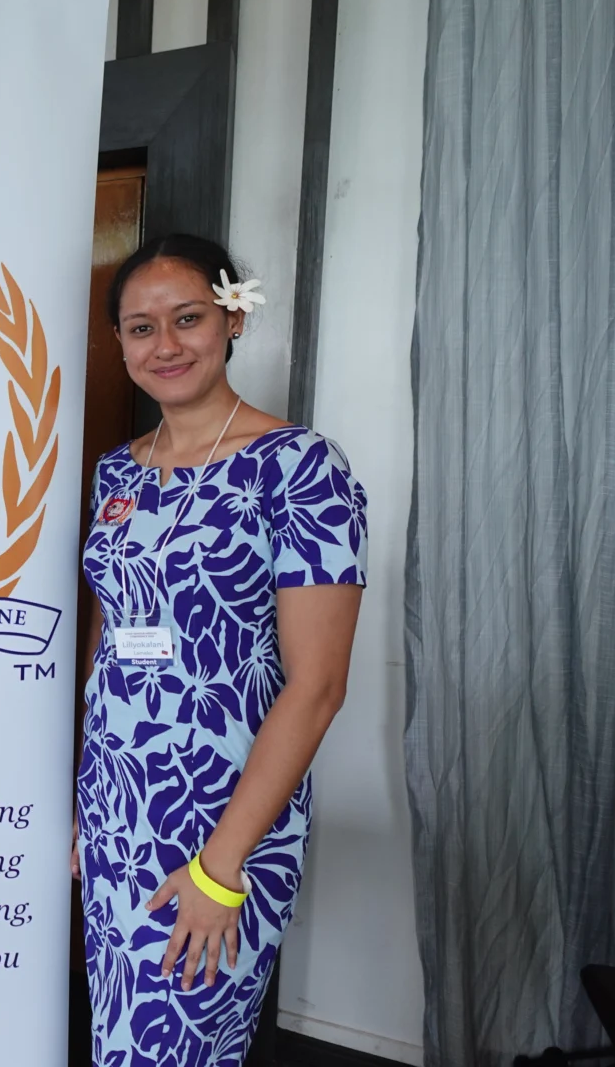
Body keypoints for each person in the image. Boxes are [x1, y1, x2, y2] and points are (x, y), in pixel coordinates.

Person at [73, 234, 366, 1065]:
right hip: (120, 810)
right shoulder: (116, 474)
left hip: (224, 819)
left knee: (182, 1043)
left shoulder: (301, 468)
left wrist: (220, 867)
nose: (164, 345)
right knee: (123, 1037)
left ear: (232, 318)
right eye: (139, 328)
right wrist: (90, 809)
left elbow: (317, 686)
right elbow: (110, 642)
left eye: (188, 318)